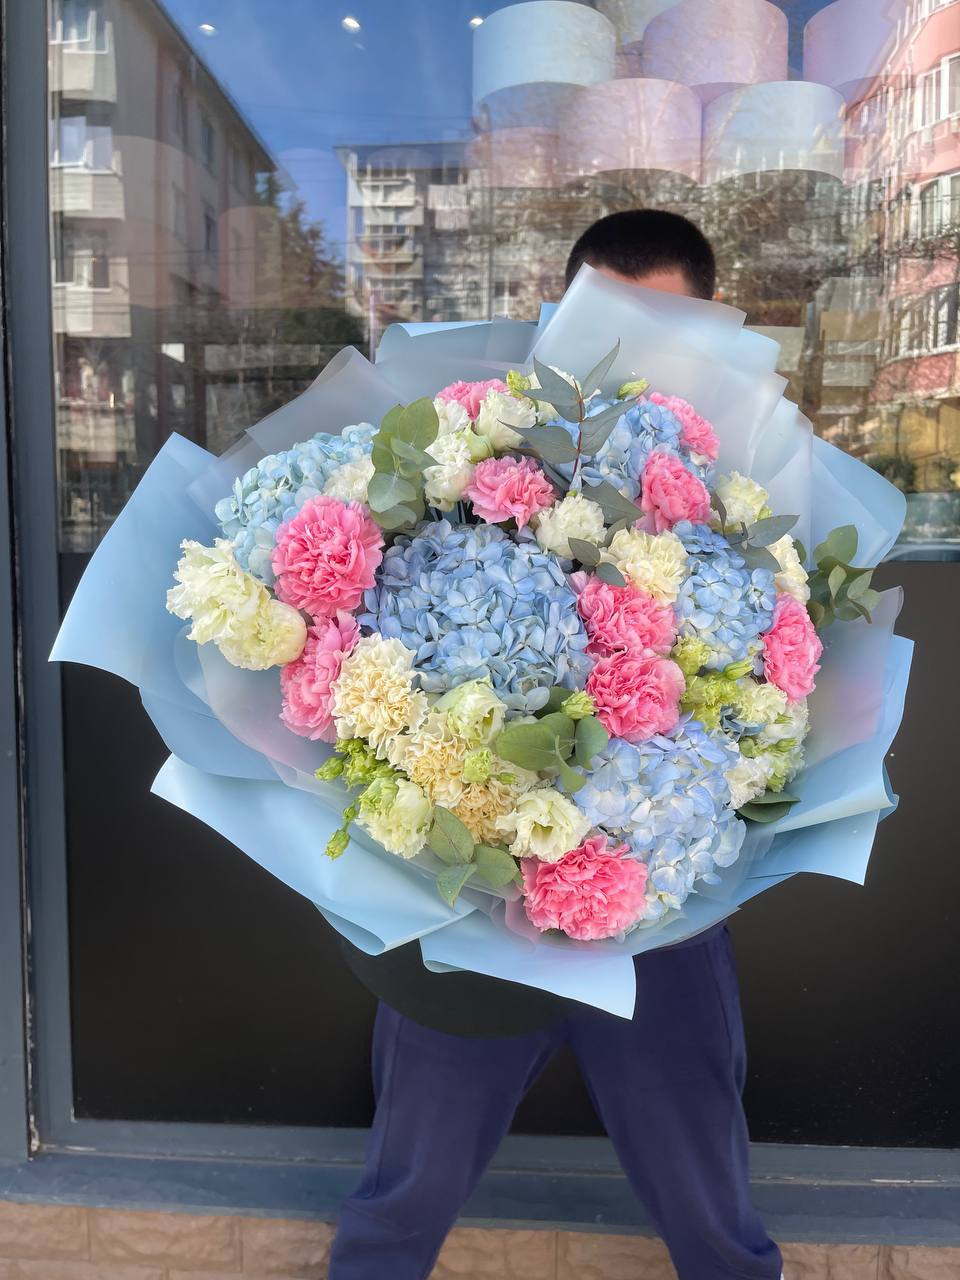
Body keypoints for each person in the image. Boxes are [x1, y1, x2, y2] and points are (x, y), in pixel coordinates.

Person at [328, 210, 784, 1280]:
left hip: (658, 909)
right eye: (603, 321)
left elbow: (781, 683)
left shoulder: (737, 493)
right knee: (406, 1191)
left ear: (713, 324)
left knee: (711, 1207)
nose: (631, 352)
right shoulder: (483, 458)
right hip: (475, 903)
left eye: (663, 327)